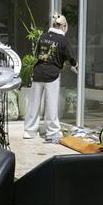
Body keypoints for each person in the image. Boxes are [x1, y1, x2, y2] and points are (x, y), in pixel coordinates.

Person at [23, 13, 77, 142]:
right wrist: (75, 65)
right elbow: (71, 57)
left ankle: (29, 131)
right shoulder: (63, 40)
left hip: (38, 72)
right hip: (52, 75)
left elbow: (37, 53)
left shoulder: (43, 37)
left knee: (33, 103)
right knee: (51, 104)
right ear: (63, 26)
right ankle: (52, 132)